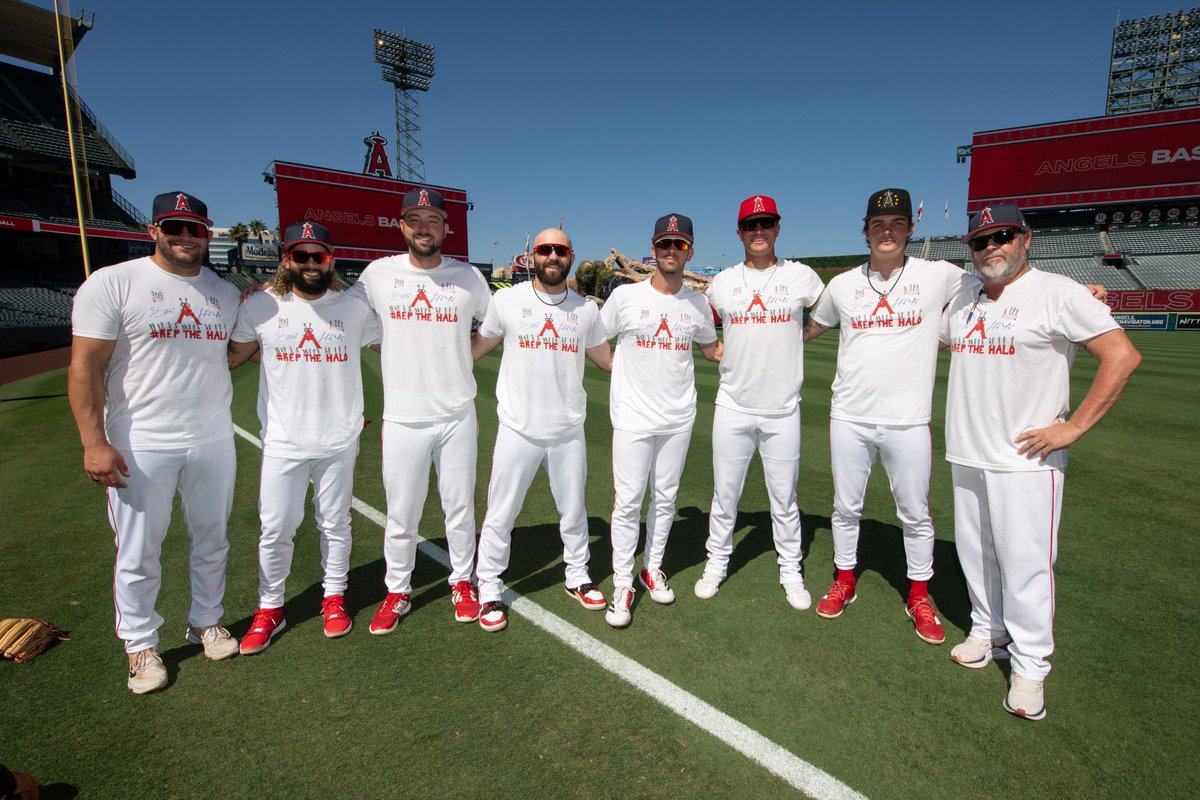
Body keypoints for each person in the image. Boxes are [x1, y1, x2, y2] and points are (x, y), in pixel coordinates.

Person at [942, 203, 1140, 720]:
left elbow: (1122, 356)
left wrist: (1071, 428)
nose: (992, 247)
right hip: (968, 450)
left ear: (1025, 239)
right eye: (980, 240)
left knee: (1027, 565)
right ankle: (988, 630)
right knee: (976, 553)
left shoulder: (1058, 292)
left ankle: (1030, 666)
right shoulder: (964, 296)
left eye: (1003, 236)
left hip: (1026, 458)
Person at [69, 191, 240, 694]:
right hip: (141, 438)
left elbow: (229, 354)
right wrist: (94, 442)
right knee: (140, 549)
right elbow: (85, 366)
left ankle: (206, 621)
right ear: (154, 230)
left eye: (195, 229)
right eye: (173, 227)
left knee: (213, 538)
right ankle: (141, 644)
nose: (185, 236)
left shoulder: (224, 292)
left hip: (213, 435)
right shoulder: (114, 282)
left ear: (207, 234)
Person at [803, 188, 965, 644]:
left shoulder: (939, 274)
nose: (887, 232)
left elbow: (997, 287)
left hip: (907, 418)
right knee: (845, 506)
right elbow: (811, 327)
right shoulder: (843, 284)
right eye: (878, 225)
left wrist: (1078, 290)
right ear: (866, 232)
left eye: (896, 224)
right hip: (850, 414)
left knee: (914, 512)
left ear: (911, 229)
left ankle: (919, 595)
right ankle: (845, 580)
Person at [227, 221, 380, 654]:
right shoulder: (261, 306)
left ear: (331, 260)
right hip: (283, 440)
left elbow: (397, 344)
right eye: (301, 255)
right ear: (286, 259)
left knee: (335, 523)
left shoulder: (354, 308)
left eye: (319, 255)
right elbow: (234, 355)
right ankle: (270, 607)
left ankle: (334, 596)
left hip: (338, 439)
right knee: (276, 528)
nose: (311, 263)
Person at [352, 187, 493, 633]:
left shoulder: (468, 277)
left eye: (433, 220)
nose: (424, 228)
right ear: (402, 226)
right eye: (414, 220)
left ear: (446, 228)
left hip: (456, 414)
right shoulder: (377, 274)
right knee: (402, 514)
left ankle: (462, 581)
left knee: (460, 509)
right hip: (403, 417)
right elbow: (344, 316)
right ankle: (397, 590)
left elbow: (496, 324)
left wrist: (463, 355)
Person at [471, 227, 612, 632]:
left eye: (560, 250)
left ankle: (577, 575)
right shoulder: (507, 300)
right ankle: (489, 584)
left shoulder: (586, 310)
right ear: (533, 255)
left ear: (570, 256)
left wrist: (654, 359)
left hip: (567, 429)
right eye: (545, 249)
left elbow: (607, 360)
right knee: (501, 512)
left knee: (574, 510)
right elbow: (475, 350)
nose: (553, 256)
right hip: (519, 427)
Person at [697, 195, 825, 608]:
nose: (758, 231)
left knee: (784, 499)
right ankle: (716, 562)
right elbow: (701, 329)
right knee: (725, 495)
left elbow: (828, 313)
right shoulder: (722, 283)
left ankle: (790, 570)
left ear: (777, 228)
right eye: (750, 225)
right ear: (739, 233)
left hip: (782, 407)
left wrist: (800, 336)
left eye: (765, 223)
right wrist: (717, 351)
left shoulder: (801, 276)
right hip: (733, 404)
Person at [601, 214, 721, 628]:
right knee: (628, 501)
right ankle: (622, 582)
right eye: (665, 244)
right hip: (633, 417)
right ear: (653, 250)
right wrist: (616, 368)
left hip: (678, 418)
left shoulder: (698, 304)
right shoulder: (625, 297)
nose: (672, 250)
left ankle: (651, 568)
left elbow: (711, 349)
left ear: (690, 251)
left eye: (680, 245)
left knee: (665, 499)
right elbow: (596, 340)